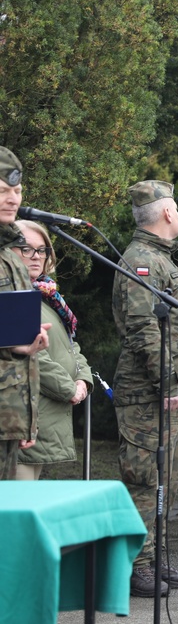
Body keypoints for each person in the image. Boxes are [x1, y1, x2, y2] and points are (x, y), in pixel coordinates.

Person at [112, 180, 178, 597]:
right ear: (167, 212)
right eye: (177, 209)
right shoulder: (141, 260)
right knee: (145, 479)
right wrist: (167, 381)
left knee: (166, 478)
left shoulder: (159, 258)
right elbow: (144, 328)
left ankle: (156, 559)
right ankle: (137, 567)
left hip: (164, 392)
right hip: (147, 393)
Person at [13, 220, 92, 480]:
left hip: (45, 421)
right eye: (26, 249)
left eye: (42, 249)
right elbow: (35, 357)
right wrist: (71, 390)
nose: (36, 256)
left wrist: (83, 379)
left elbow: (71, 346)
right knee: (17, 509)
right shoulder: (14, 295)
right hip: (22, 417)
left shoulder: (48, 296)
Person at [0, 146, 50, 480]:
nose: (13, 198)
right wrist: (12, 345)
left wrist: (23, 418)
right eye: (3, 191)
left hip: (7, 413)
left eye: (16, 191)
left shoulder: (10, 253)